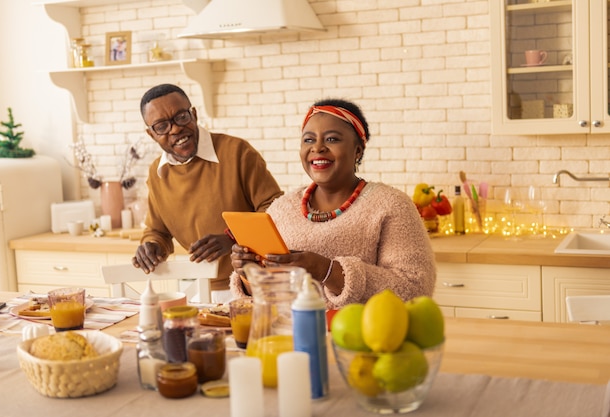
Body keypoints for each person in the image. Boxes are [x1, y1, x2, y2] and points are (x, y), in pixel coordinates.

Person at [229, 98, 436, 308]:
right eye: (308, 140)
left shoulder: (391, 205)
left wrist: (326, 270)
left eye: (332, 139)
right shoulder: (281, 209)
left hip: (364, 337)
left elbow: (415, 288)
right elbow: (267, 298)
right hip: (291, 336)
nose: (318, 148)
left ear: (358, 150)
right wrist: (249, 275)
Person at [133, 83, 283, 302]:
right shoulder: (157, 174)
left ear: (193, 114)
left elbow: (275, 207)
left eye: (181, 117)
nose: (175, 129)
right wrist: (151, 246)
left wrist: (233, 238)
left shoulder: (237, 152)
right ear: (151, 134)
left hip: (252, 285)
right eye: (162, 126)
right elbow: (158, 230)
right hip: (195, 290)